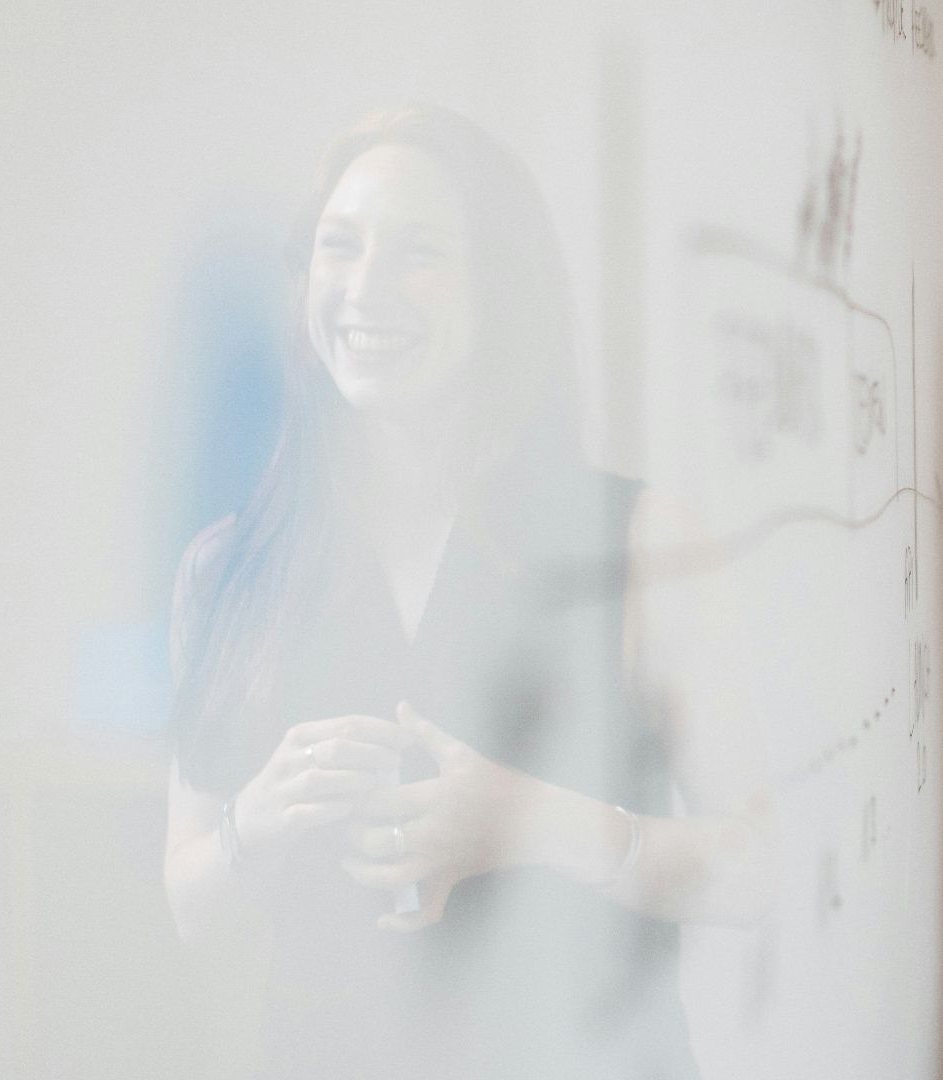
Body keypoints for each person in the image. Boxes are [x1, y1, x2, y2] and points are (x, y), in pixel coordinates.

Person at [163, 104, 763, 1079]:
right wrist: (261, 815)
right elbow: (191, 906)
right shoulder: (229, 569)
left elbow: (755, 865)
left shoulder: (643, 542)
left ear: (502, 291)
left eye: (419, 254)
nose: (365, 290)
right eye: (339, 247)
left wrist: (531, 822)